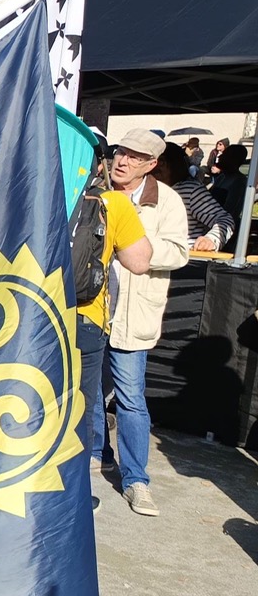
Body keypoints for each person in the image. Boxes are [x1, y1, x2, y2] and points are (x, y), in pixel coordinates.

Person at [100, 129, 189, 517]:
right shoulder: (95, 187)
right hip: (91, 309)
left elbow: (179, 252)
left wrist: (134, 244)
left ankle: (136, 480)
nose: (123, 161)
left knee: (130, 399)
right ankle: (94, 461)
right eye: (121, 152)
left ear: (152, 165)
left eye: (135, 157)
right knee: (85, 394)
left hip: (133, 315)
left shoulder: (166, 201)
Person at [74, 145, 152, 514]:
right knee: (78, 408)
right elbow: (139, 262)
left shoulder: (36, 189)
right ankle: (69, 495)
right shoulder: (115, 203)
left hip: (29, 312)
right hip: (85, 319)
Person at [156, 142, 235, 252]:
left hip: (184, 260)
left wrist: (210, 240)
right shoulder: (144, 189)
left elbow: (224, 220)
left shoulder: (191, 190)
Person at [210, 143, 249, 227]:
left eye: (224, 155)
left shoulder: (239, 181)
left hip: (220, 227)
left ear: (232, 159)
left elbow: (230, 211)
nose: (220, 157)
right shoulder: (222, 177)